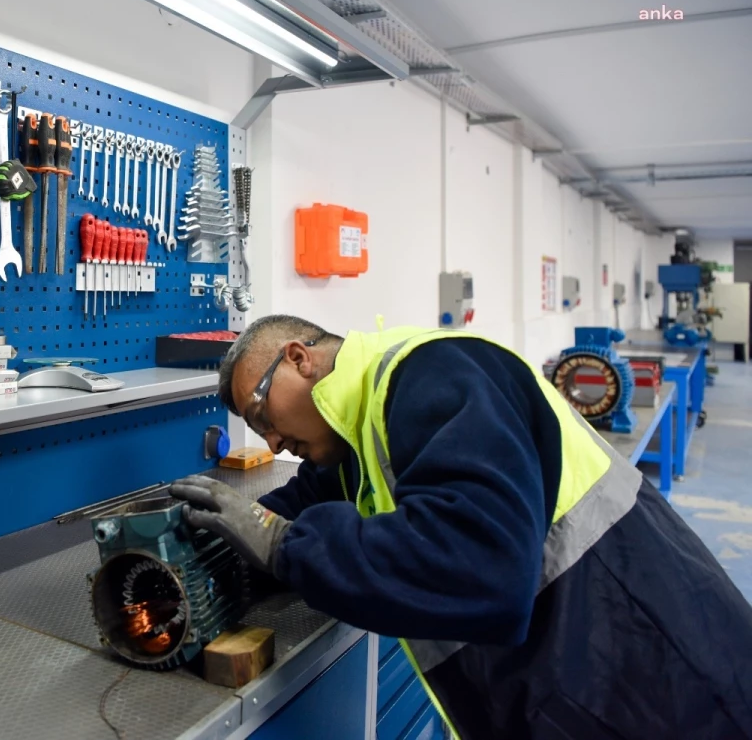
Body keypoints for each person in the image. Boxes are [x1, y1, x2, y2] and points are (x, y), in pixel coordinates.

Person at [170, 315, 752, 740]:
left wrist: (281, 546)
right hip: (579, 686)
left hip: (658, 682)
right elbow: (307, 499)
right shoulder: (360, 430)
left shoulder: (435, 372)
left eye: (260, 414)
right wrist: (211, 541)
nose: (269, 441)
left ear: (298, 358)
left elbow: (481, 565)